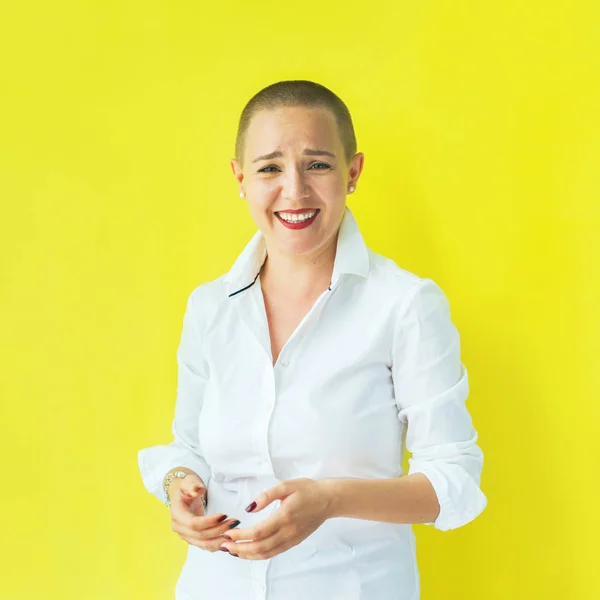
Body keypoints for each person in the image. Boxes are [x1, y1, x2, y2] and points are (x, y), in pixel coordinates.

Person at [137, 79, 487, 600]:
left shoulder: (405, 305)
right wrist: (179, 487)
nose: (295, 191)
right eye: (269, 168)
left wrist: (329, 499)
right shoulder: (210, 308)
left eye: (317, 164)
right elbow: (188, 446)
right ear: (240, 178)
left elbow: (454, 484)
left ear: (353, 173)